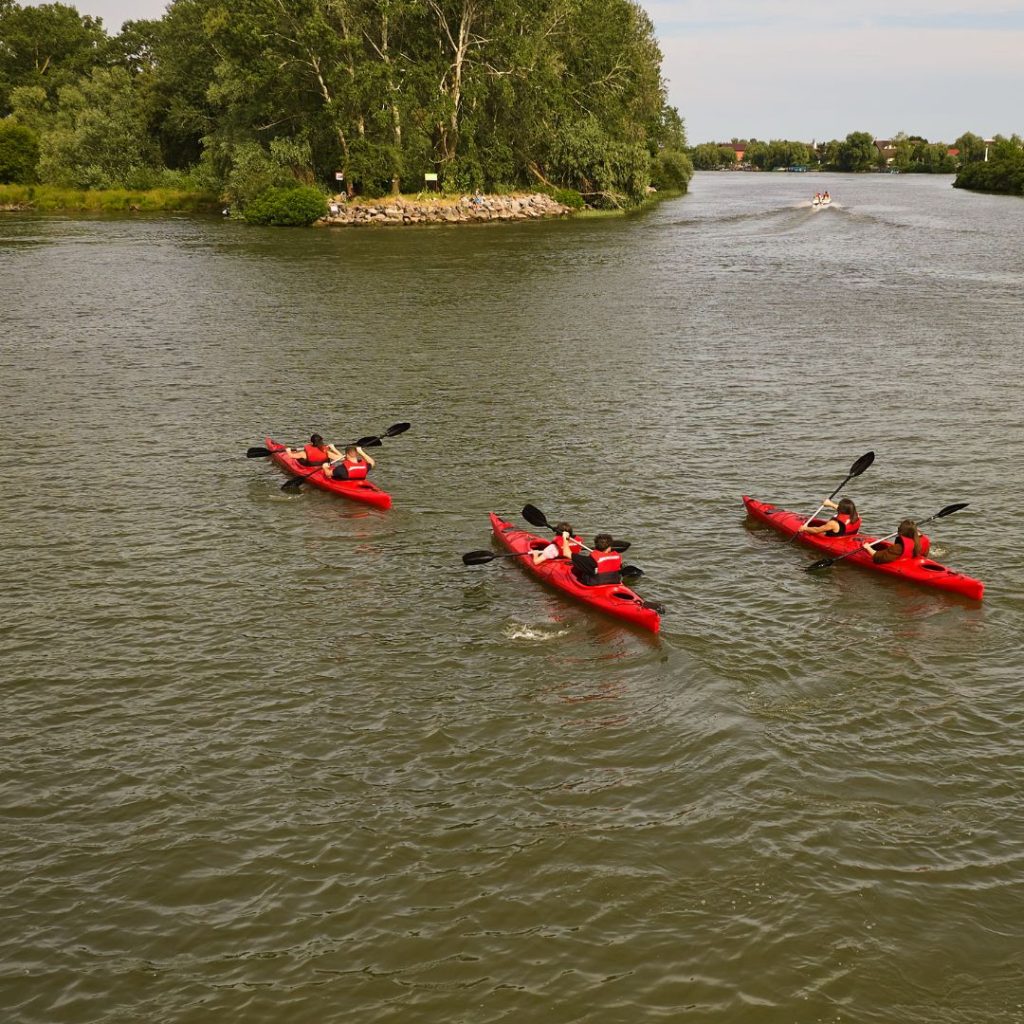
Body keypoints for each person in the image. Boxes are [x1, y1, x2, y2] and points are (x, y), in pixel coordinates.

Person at [863, 519, 931, 564]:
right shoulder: (925, 540)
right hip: (915, 562)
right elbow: (925, 555)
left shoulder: (899, 548)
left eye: (899, 529)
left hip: (904, 565)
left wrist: (868, 547)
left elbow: (878, 557)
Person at [796, 497, 862, 537]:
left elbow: (816, 530)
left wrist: (804, 528)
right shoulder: (856, 515)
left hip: (836, 541)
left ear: (840, 509)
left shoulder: (833, 524)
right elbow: (842, 509)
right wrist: (830, 504)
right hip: (849, 538)